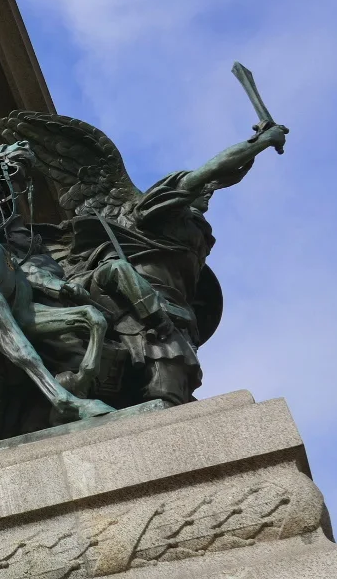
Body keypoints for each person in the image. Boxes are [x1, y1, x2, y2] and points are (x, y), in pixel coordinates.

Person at [59, 123, 289, 405]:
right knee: (166, 392)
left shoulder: (193, 226)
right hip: (142, 308)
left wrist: (253, 145)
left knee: (174, 391)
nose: (208, 191)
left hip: (177, 313)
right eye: (202, 188)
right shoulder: (157, 208)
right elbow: (214, 169)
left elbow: (225, 175)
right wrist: (261, 143)